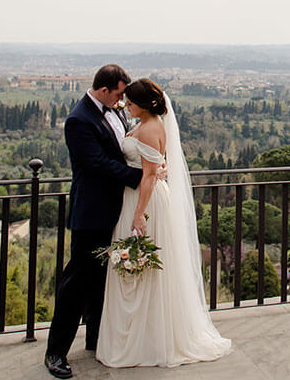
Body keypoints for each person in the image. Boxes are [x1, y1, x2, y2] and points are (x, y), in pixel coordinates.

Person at [95, 78, 232, 367]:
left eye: (130, 103)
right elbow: (156, 165)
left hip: (144, 201)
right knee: (141, 269)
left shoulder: (148, 128)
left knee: (141, 267)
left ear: (143, 104)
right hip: (144, 196)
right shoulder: (151, 123)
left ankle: (144, 341)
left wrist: (138, 214)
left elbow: (147, 175)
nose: (126, 106)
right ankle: (145, 337)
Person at [44, 65, 144, 379]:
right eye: (118, 93)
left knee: (102, 279)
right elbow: (96, 163)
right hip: (91, 211)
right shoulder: (78, 120)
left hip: (116, 209)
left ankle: (95, 339)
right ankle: (56, 352)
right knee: (76, 283)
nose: (122, 100)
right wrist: (139, 178)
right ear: (104, 90)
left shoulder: (114, 111)